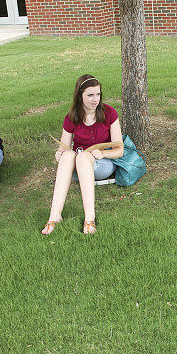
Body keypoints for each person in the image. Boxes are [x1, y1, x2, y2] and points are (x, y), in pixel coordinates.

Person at [42, 75, 124, 235]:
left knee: (82, 156)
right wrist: (59, 155)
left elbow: (120, 150)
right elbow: (63, 149)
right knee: (69, 156)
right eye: (90, 95)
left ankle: (89, 218)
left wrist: (102, 153)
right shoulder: (72, 117)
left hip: (102, 164)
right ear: (80, 96)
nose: (95, 99)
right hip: (78, 168)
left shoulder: (109, 113)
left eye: (98, 94)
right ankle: (54, 216)